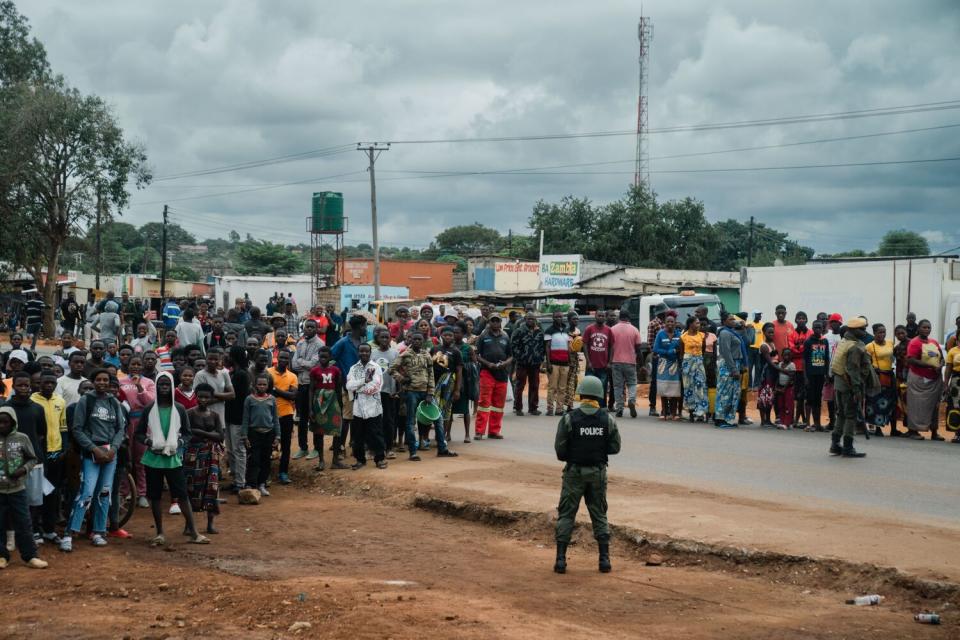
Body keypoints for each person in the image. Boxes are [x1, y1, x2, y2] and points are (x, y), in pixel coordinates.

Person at [552, 376, 621, 574]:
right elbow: (615, 448)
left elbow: (560, 450)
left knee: (566, 514)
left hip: (574, 472)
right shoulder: (607, 419)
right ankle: (604, 560)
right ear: (599, 395)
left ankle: (561, 560)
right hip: (598, 472)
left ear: (580, 394)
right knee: (599, 513)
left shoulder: (569, 418)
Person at [135, 372, 207, 545]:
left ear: (172, 386)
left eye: (167, 384)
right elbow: (138, 433)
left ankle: (194, 532)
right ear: (157, 386)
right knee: (155, 496)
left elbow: (187, 433)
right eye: (161, 384)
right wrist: (149, 442)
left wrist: (179, 443)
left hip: (173, 458)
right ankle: (159, 533)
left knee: (182, 495)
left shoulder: (180, 409)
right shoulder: (149, 408)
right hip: (153, 459)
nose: (164, 387)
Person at [60, 369, 127, 552]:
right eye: (99, 379)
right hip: (91, 454)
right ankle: (69, 533)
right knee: (86, 493)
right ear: (93, 380)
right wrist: (93, 449)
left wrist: (113, 449)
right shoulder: (86, 400)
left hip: (110, 455)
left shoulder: (114, 402)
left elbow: (121, 429)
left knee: (104, 493)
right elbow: (77, 429)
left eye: (106, 380)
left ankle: (98, 532)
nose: (102, 383)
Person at [0, 406, 48, 569]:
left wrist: (23, 469)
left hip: (17, 489)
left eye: (5, 422)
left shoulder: (22, 438)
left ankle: (30, 556)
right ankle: (2, 556)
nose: (2, 425)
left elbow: (32, 459)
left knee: (23, 523)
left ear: (13, 422)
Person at [31, 373, 68, 544]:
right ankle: (34, 530)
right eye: (45, 382)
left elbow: (63, 427)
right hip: (38, 455)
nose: (49, 385)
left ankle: (49, 530)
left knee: (52, 492)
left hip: (56, 453)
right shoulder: (32, 401)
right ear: (39, 384)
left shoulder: (60, 401)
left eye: (52, 382)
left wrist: (64, 449)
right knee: (36, 494)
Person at [829, 316, 874, 457]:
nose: (865, 332)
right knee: (850, 416)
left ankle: (835, 445)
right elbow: (853, 369)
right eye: (862, 329)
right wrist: (856, 389)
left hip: (839, 384)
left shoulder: (844, 341)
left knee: (841, 414)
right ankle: (848, 447)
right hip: (849, 386)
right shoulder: (854, 346)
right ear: (854, 330)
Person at [118, 355, 156, 508]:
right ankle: (124, 493)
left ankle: (142, 493)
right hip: (125, 422)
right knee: (126, 458)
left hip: (142, 422)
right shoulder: (121, 381)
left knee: (141, 460)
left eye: (138, 364)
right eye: (132, 364)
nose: (135, 367)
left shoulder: (148, 382)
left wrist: (140, 387)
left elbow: (150, 402)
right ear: (128, 366)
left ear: (142, 367)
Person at [345, 343, 386, 469]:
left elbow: (375, 387)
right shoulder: (353, 368)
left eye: (366, 351)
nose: (364, 353)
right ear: (358, 352)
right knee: (358, 436)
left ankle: (379, 459)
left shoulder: (376, 367)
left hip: (374, 406)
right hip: (358, 408)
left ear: (370, 352)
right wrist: (363, 381)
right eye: (361, 351)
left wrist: (358, 388)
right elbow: (348, 386)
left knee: (375, 434)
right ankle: (360, 460)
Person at [904, 319, 945, 441]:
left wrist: (940, 365)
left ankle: (934, 432)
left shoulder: (934, 342)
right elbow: (911, 359)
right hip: (919, 379)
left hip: (934, 379)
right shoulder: (914, 343)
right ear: (918, 328)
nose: (927, 329)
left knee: (934, 406)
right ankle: (913, 431)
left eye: (929, 327)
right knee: (916, 405)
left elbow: (941, 358)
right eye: (924, 327)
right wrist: (930, 366)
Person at [473, 315, 512, 440]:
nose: (495, 323)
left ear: (500, 322)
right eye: (492, 321)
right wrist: (488, 363)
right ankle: (479, 431)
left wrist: (505, 364)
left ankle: (494, 431)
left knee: (498, 404)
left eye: (497, 321)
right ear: (489, 322)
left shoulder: (506, 336)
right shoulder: (483, 336)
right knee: (484, 403)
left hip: (502, 374)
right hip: (486, 372)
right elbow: (476, 354)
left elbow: (511, 356)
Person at [241, 373, 280, 496]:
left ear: (268, 385)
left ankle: (262, 484)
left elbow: (275, 418)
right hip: (254, 433)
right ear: (255, 385)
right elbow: (246, 419)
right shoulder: (249, 399)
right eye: (259, 384)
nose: (262, 386)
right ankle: (251, 484)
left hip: (269, 433)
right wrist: (244, 436)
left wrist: (278, 436)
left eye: (264, 384)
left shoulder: (272, 399)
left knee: (265, 460)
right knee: (254, 459)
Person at [309, 346, 346, 469]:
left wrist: (340, 405)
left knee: (337, 430)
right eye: (321, 356)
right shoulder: (314, 371)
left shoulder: (336, 370)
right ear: (318, 357)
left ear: (330, 357)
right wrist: (310, 408)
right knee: (319, 431)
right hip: (319, 401)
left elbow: (338, 389)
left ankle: (335, 460)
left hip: (332, 401)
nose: (323, 359)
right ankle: (321, 460)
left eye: (325, 356)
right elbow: (311, 390)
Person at [292, 319, 322, 460]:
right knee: (302, 418)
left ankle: (316, 448)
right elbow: (293, 365)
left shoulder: (320, 344)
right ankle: (303, 447)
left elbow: (314, 366)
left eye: (312, 327)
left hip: (315, 386)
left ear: (316, 328)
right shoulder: (300, 343)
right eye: (306, 327)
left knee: (315, 417)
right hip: (301, 384)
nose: (308, 329)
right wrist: (305, 364)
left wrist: (301, 362)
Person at [268, 350, 299, 484]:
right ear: (277, 358)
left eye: (286, 358)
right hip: (268, 414)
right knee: (267, 445)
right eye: (281, 357)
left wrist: (275, 390)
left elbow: (293, 396)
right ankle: (266, 475)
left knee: (286, 446)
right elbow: (266, 390)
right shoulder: (268, 372)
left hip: (286, 414)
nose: (283, 360)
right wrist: (283, 393)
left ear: (289, 360)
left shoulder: (292, 376)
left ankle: (283, 473)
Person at [510, 312, 545, 416]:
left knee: (534, 385)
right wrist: (520, 357)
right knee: (520, 385)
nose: (531, 321)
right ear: (525, 319)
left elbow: (542, 346)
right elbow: (513, 346)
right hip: (522, 363)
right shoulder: (519, 331)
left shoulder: (539, 332)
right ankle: (518, 407)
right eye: (529, 319)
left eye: (533, 319)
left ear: (536, 320)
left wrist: (541, 358)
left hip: (535, 363)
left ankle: (533, 407)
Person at [864, 323, 896, 436]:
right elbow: (866, 363)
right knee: (875, 403)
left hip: (889, 376)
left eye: (884, 331)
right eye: (879, 332)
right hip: (876, 377)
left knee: (889, 402)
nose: (882, 334)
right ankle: (877, 428)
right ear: (874, 333)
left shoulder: (890, 343)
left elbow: (893, 358)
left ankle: (893, 428)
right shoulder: (869, 346)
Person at [610, 310, 642, 418]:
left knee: (618, 386)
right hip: (630, 362)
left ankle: (619, 408)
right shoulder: (634, 330)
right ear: (629, 318)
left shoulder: (613, 329)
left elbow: (609, 347)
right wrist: (641, 364)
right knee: (632, 384)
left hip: (616, 361)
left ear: (619, 317)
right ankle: (631, 400)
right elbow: (638, 349)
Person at [715, 313, 745, 429]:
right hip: (728, 365)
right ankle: (720, 418)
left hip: (734, 364)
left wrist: (743, 328)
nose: (733, 321)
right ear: (724, 322)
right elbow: (726, 352)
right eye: (730, 319)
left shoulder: (733, 332)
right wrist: (733, 369)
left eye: (734, 319)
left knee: (732, 393)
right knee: (724, 392)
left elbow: (744, 342)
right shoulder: (725, 333)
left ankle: (727, 418)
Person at [450, 322, 477, 444]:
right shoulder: (448, 346)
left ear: (463, 333)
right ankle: (447, 433)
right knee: (448, 409)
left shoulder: (468, 348)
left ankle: (467, 434)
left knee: (465, 409)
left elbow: (475, 363)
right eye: (454, 332)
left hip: (464, 381)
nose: (455, 334)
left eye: (458, 332)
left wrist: (464, 366)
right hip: (450, 380)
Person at [802, 320, 830, 431]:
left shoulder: (825, 341)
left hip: (820, 374)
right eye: (816, 327)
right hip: (810, 375)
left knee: (818, 399)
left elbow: (827, 358)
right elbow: (804, 360)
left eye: (820, 327)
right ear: (813, 328)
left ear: (823, 328)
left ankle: (817, 424)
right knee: (810, 398)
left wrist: (827, 373)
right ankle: (808, 423)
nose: (818, 329)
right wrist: (805, 377)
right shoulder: (808, 342)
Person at [652, 315, 682, 420]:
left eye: (672, 322)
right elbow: (656, 349)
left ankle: (673, 414)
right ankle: (664, 412)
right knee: (663, 388)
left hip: (675, 364)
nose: (670, 324)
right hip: (663, 364)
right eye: (668, 321)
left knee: (674, 390)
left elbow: (681, 348)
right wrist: (668, 352)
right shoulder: (660, 334)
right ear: (664, 323)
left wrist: (675, 352)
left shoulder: (679, 334)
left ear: (675, 323)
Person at [680, 317, 708, 422]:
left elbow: (703, 349)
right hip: (687, 363)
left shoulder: (702, 335)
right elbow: (681, 353)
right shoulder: (683, 337)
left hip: (699, 362)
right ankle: (691, 412)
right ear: (691, 324)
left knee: (700, 386)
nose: (699, 325)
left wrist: (698, 359)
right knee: (688, 387)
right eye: (697, 323)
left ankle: (700, 413)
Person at [787, 312, 812, 428]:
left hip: (807, 369)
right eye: (799, 318)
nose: (801, 320)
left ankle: (804, 420)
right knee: (797, 395)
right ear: (796, 320)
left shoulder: (811, 333)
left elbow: (809, 349)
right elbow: (791, 349)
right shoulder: (791, 333)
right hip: (795, 368)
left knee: (805, 395)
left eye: (803, 318)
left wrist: (799, 349)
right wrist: (801, 349)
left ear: (806, 320)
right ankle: (796, 419)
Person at [582, 310, 614, 395]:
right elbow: (584, 345)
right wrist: (588, 362)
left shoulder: (609, 330)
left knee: (602, 389)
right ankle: (590, 407)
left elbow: (612, 346)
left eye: (603, 316)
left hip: (604, 367)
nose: (601, 317)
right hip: (591, 366)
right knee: (589, 389)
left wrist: (610, 362)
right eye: (599, 316)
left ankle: (602, 407)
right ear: (595, 316)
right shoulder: (589, 329)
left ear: (605, 317)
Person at [756, 323, 780, 427]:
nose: (771, 334)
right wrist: (783, 370)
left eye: (772, 332)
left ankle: (768, 420)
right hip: (766, 374)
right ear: (764, 333)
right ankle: (763, 420)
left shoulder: (773, 344)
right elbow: (770, 362)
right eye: (769, 332)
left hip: (772, 373)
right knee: (763, 397)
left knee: (770, 397)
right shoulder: (764, 346)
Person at [775, 348, 796, 429]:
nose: (786, 356)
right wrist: (776, 387)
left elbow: (791, 377)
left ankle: (787, 423)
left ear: (791, 356)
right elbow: (778, 376)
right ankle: (782, 421)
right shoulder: (780, 364)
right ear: (782, 356)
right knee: (781, 404)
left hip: (788, 388)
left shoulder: (792, 365)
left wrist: (784, 388)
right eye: (785, 355)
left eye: (788, 355)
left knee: (788, 405)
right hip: (780, 386)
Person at [944, 337, 960, 442]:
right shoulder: (953, 351)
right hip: (956, 382)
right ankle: (958, 434)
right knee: (956, 407)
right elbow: (948, 368)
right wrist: (946, 384)